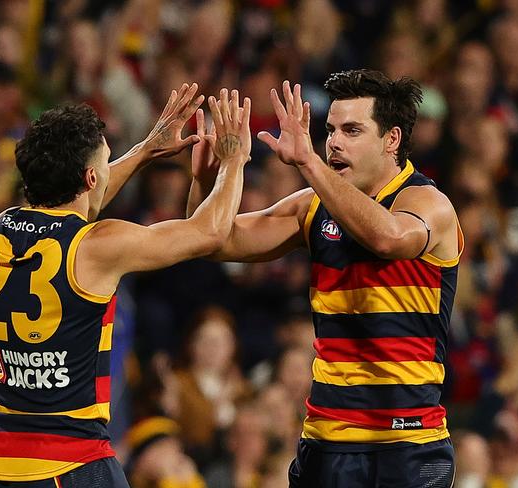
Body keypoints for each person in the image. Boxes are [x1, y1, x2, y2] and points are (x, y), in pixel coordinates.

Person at [188, 69, 463, 487]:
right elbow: (210, 240)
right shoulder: (312, 208)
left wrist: (309, 163)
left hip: (408, 443)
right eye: (330, 130)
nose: (333, 141)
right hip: (326, 442)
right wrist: (214, 176)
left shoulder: (428, 202)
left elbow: (387, 237)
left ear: (391, 140)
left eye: (352, 130)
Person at [0, 83, 252, 487]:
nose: (108, 169)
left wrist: (145, 151)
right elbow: (208, 232)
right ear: (89, 176)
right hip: (72, 466)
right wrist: (233, 160)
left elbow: (77, 202)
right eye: (106, 162)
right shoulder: (97, 246)